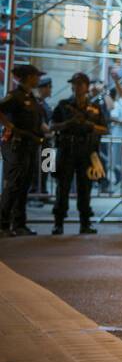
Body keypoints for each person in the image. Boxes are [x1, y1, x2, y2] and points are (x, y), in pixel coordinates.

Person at [50, 72, 109, 235]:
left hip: (86, 152)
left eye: (80, 84)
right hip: (67, 150)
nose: (77, 87)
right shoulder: (63, 105)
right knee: (62, 188)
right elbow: (51, 126)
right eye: (75, 84)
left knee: (85, 189)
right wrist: (67, 123)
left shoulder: (95, 108)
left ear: (87, 87)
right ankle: (58, 223)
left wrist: (90, 126)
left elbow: (105, 129)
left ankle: (85, 223)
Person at [0, 63, 48, 236]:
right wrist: (10, 126)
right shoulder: (15, 96)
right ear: (28, 77)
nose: (38, 79)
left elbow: (37, 120)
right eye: (36, 76)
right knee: (13, 185)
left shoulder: (31, 98)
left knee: (24, 185)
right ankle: (3, 224)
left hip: (30, 146)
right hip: (16, 145)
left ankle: (19, 224)